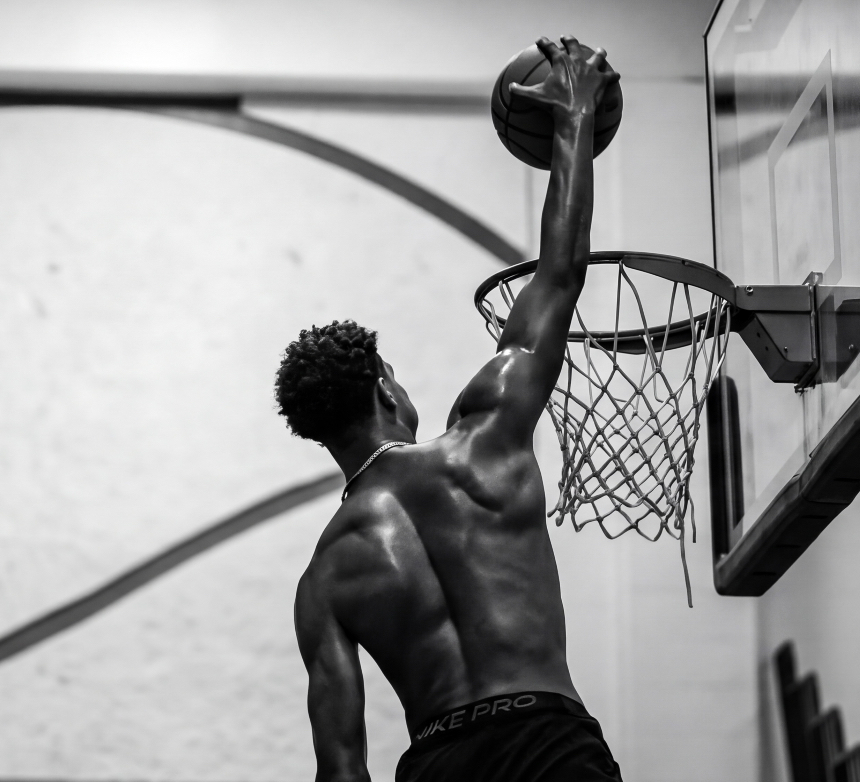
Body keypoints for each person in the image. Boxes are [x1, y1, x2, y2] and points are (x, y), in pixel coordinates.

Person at [274, 36, 621, 782]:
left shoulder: (325, 580)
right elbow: (560, 275)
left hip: (438, 762)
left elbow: (340, 774)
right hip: (544, 741)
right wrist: (573, 122)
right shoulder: (483, 437)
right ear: (385, 392)